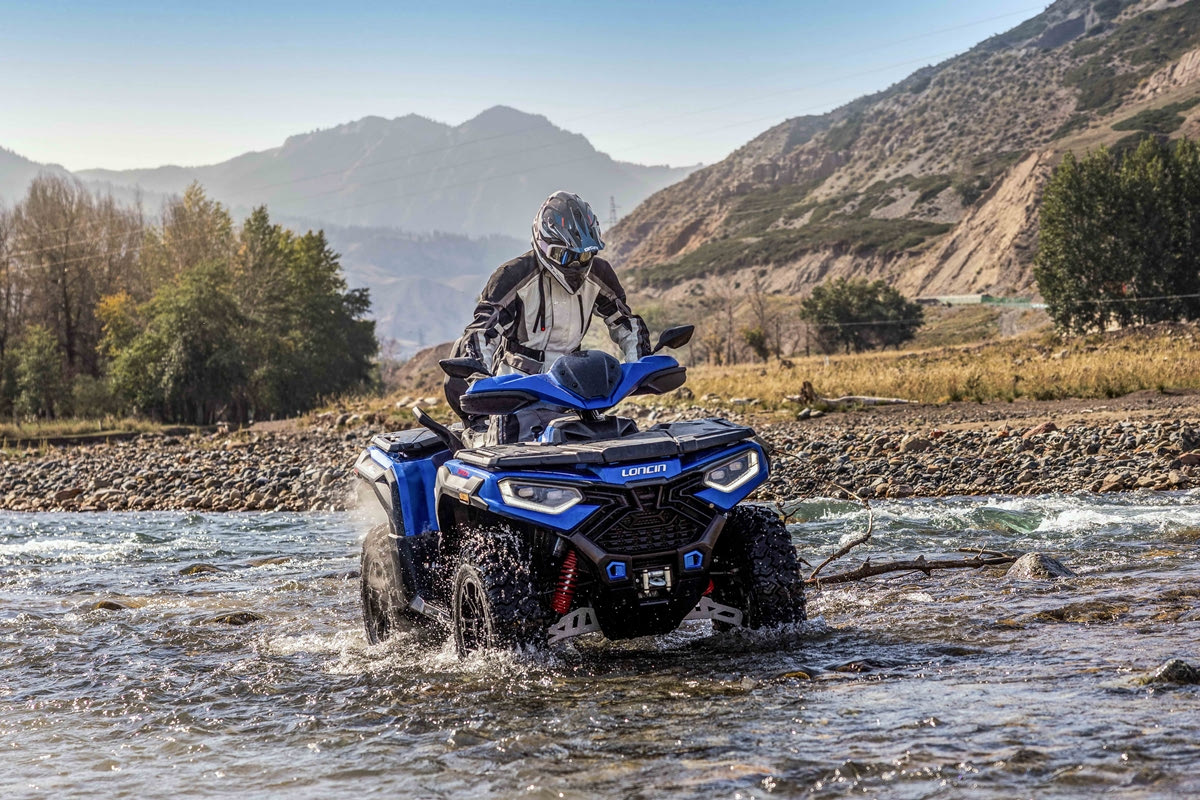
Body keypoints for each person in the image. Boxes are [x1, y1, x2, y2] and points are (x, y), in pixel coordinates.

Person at [445, 190, 650, 432]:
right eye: (564, 255)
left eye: (584, 255)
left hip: (574, 388)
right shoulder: (513, 276)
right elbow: (483, 330)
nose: (575, 264)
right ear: (543, 244)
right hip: (518, 390)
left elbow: (625, 322)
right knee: (515, 448)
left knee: (600, 441)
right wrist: (479, 377)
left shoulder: (599, 273)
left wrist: (640, 364)